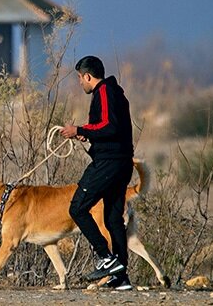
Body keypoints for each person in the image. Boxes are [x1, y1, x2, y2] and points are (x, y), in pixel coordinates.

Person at [60, 55, 135, 291]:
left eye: (80, 79)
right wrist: (88, 133)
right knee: (113, 219)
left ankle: (106, 258)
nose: (80, 83)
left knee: (77, 207)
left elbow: (109, 126)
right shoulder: (114, 92)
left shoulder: (104, 91)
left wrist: (79, 129)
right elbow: (106, 127)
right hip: (121, 163)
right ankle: (121, 277)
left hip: (109, 163)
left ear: (87, 76)